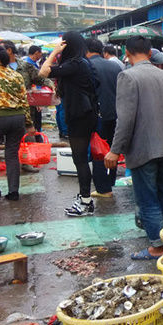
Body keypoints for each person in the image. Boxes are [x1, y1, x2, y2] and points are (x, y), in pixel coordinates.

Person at [104, 35, 163, 260]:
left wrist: (115, 149)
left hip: (143, 148)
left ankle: (157, 247)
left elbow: (125, 119)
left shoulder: (127, 76)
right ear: (149, 53)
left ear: (126, 53)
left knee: (148, 199)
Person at [39, 32, 99, 217]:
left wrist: (53, 53)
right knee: (80, 159)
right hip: (85, 114)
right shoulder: (83, 63)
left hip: (79, 116)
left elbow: (42, 72)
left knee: (80, 160)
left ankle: (85, 202)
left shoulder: (75, 64)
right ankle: (84, 198)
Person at [86, 38, 122, 198]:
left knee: (98, 150)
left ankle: (103, 188)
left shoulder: (87, 66)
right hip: (116, 113)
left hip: (97, 115)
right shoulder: (114, 66)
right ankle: (111, 180)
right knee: (112, 149)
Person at [0, 43, 31, 201]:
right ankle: (13, 192)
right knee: (12, 154)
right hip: (17, 118)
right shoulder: (16, 75)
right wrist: (29, 123)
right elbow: (24, 101)